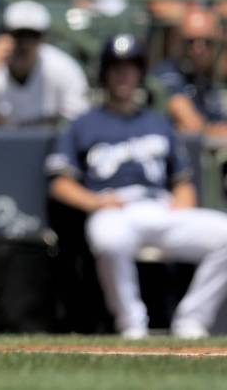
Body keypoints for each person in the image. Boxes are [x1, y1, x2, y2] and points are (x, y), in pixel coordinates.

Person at [46, 34, 227, 339]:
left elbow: (182, 182)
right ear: (105, 74)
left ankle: (192, 321)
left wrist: (182, 201)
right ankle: (131, 323)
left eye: (129, 68)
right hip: (114, 208)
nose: (123, 75)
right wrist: (95, 202)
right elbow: (60, 183)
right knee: (108, 239)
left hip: (160, 206)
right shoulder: (84, 123)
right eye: (116, 68)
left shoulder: (158, 123)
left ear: (140, 73)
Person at [0, 0, 90, 129]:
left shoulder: (63, 68)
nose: (24, 43)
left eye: (33, 35)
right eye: (17, 35)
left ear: (44, 38)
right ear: (3, 36)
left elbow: (79, 127)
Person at [154, 6, 227, 136]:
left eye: (207, 42)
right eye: (190, 42)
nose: (198, 49)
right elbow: (193, 125)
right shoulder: (167, 74)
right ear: (178, 41)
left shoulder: (208, 76)